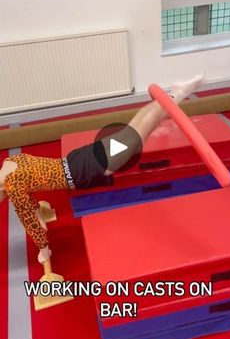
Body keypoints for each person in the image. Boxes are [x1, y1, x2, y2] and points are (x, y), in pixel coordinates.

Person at [0, 73, 204, 263]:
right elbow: (31, 198)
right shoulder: (10, 163)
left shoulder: (12, 186)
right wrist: (37, 212)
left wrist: (44, 251)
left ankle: (176, 94)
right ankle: (171, 96)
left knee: (134, 138)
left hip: (85, 169)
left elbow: (31, 225)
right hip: (78, 159)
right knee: (131, 133)